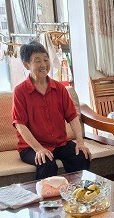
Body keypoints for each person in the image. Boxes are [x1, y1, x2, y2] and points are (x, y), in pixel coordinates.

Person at [12, 41, 90, 180]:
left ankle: (77, 192)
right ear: (26, 65)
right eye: (37, 61)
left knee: (81, 156)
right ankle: (46, 195)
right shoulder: (20, 91)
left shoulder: (59, 89)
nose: (43, 64)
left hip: (60, 144)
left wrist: (80, 142)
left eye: (46, 59)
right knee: (46, 163)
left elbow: (72, 116)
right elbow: (20, 125)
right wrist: (39, 149)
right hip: (31, 147)